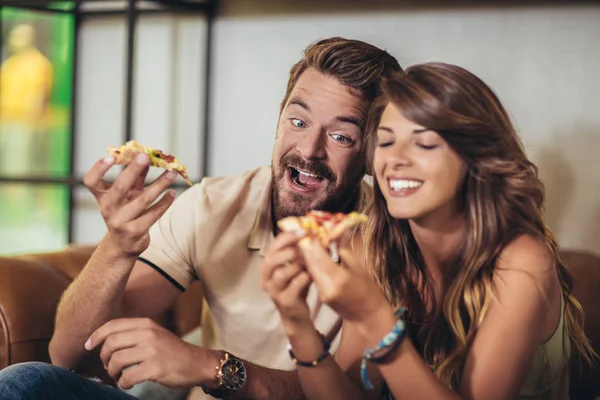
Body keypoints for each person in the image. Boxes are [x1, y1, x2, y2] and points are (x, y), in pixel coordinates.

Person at [0, 37, 401, 400]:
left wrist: (212, 367)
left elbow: (348, 397)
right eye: (298, 121)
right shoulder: (213, 204)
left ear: (371, 152)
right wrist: (117, 247)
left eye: (340, 136)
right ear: (279, 118)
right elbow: (68, 353)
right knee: (26, 382)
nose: (309, 150)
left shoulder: (389, 242)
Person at [262, 63, 596, 400]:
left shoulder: (522, 262)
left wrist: (375, 319)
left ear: (474, 159)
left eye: (423, 144)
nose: (395, 160)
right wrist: (297, 323)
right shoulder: (371, 246)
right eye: (387, 142)